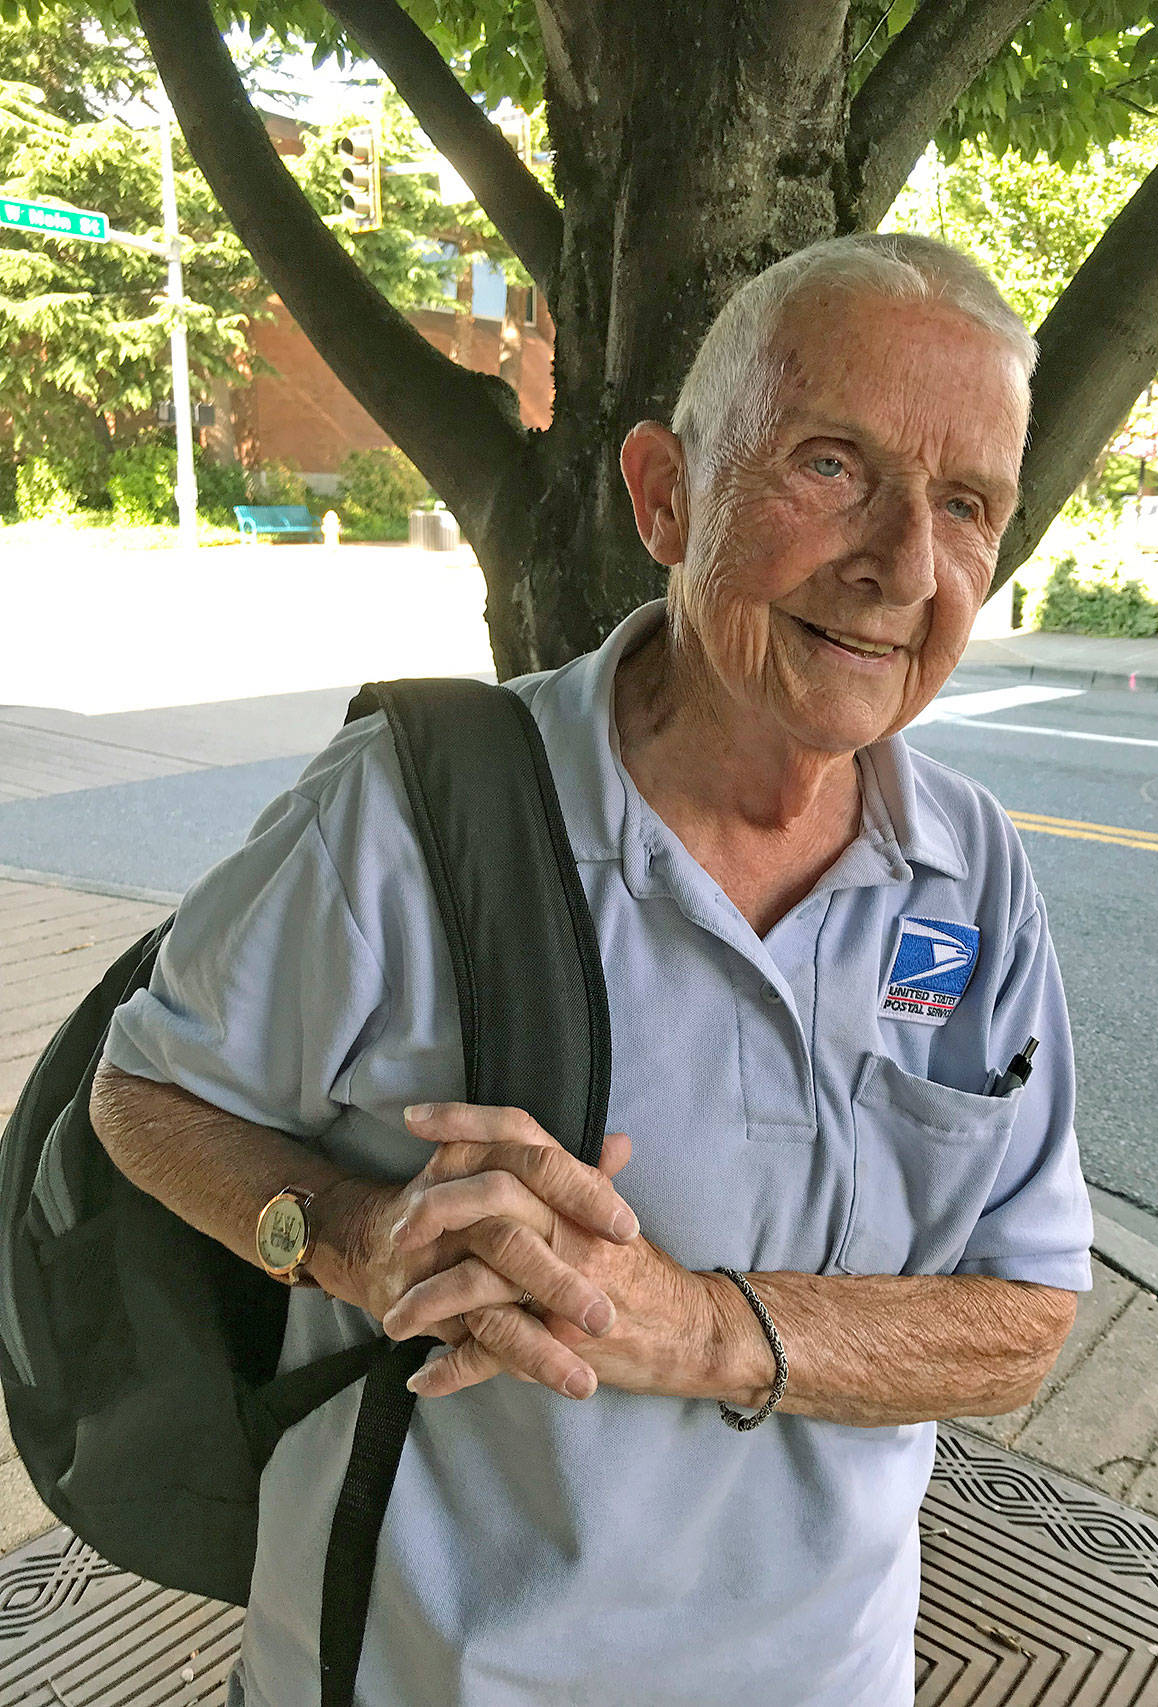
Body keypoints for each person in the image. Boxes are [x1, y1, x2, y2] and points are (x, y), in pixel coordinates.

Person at [90, 230, 1093, 1707]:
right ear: (664, 496)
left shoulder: (973, 869)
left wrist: (694, 1325)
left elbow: (1023, 1316)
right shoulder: (410, 814)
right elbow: (143, 1096)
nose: (902, 567)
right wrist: (355, 1235)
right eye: (833, 467)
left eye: (966, 505)